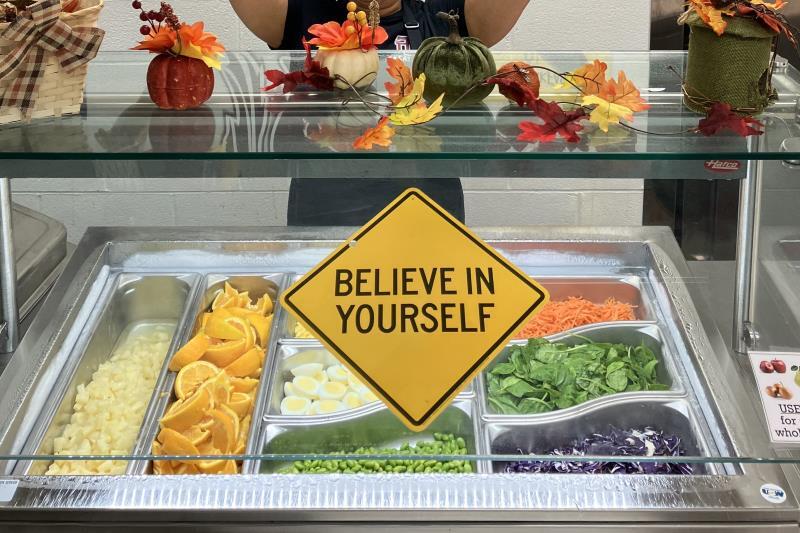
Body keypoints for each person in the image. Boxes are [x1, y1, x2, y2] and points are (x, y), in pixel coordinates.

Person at [231, 0, 530, 226]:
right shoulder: (303, 9)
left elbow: (490, 22)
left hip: (428, 205)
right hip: (324, 205)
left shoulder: (442, 11)